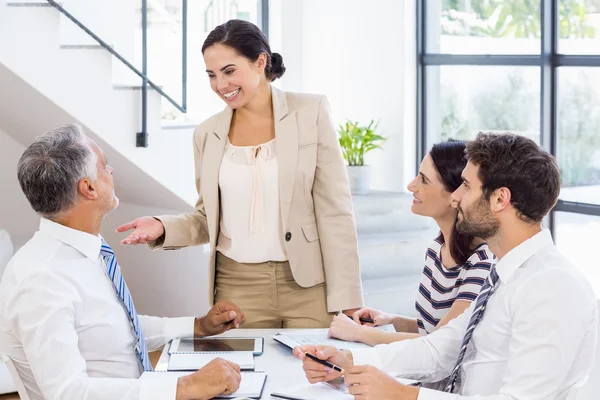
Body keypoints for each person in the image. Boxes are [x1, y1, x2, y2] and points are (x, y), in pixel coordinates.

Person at [294, 132, 598, 400]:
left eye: (466, 186)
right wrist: (349, 360)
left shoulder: (552, 287)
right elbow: (441, 348)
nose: (455, 197)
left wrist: (406, 396)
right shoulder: (505, 273)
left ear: (500, 199)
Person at [116, 19, 364, 328]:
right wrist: (162, 227)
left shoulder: (310, 113)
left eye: (229, 71)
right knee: (244, 375)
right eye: (211, 75)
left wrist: (349, 297)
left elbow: (335, 211)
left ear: (261, 61)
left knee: (315, 374)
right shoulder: (207, 135)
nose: (221, 85)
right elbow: (208, 217)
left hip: (309, 284)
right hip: (237, 287)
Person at [0, 124, 247, 400]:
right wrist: (185, 387)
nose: (112, 172)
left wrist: (198, 326)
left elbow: (114, 328)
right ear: (89, 188)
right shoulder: (42, 280)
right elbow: (67, 392)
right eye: (105, 166)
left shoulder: (84, 251)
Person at [328, 140, 494, 347]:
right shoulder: (437, 250)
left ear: (456, 194)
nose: (411, 186)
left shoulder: (482, 263)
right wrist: (391, 320)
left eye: (424, 180)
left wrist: (359, 333)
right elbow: (433, 329)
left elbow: (441, 344)